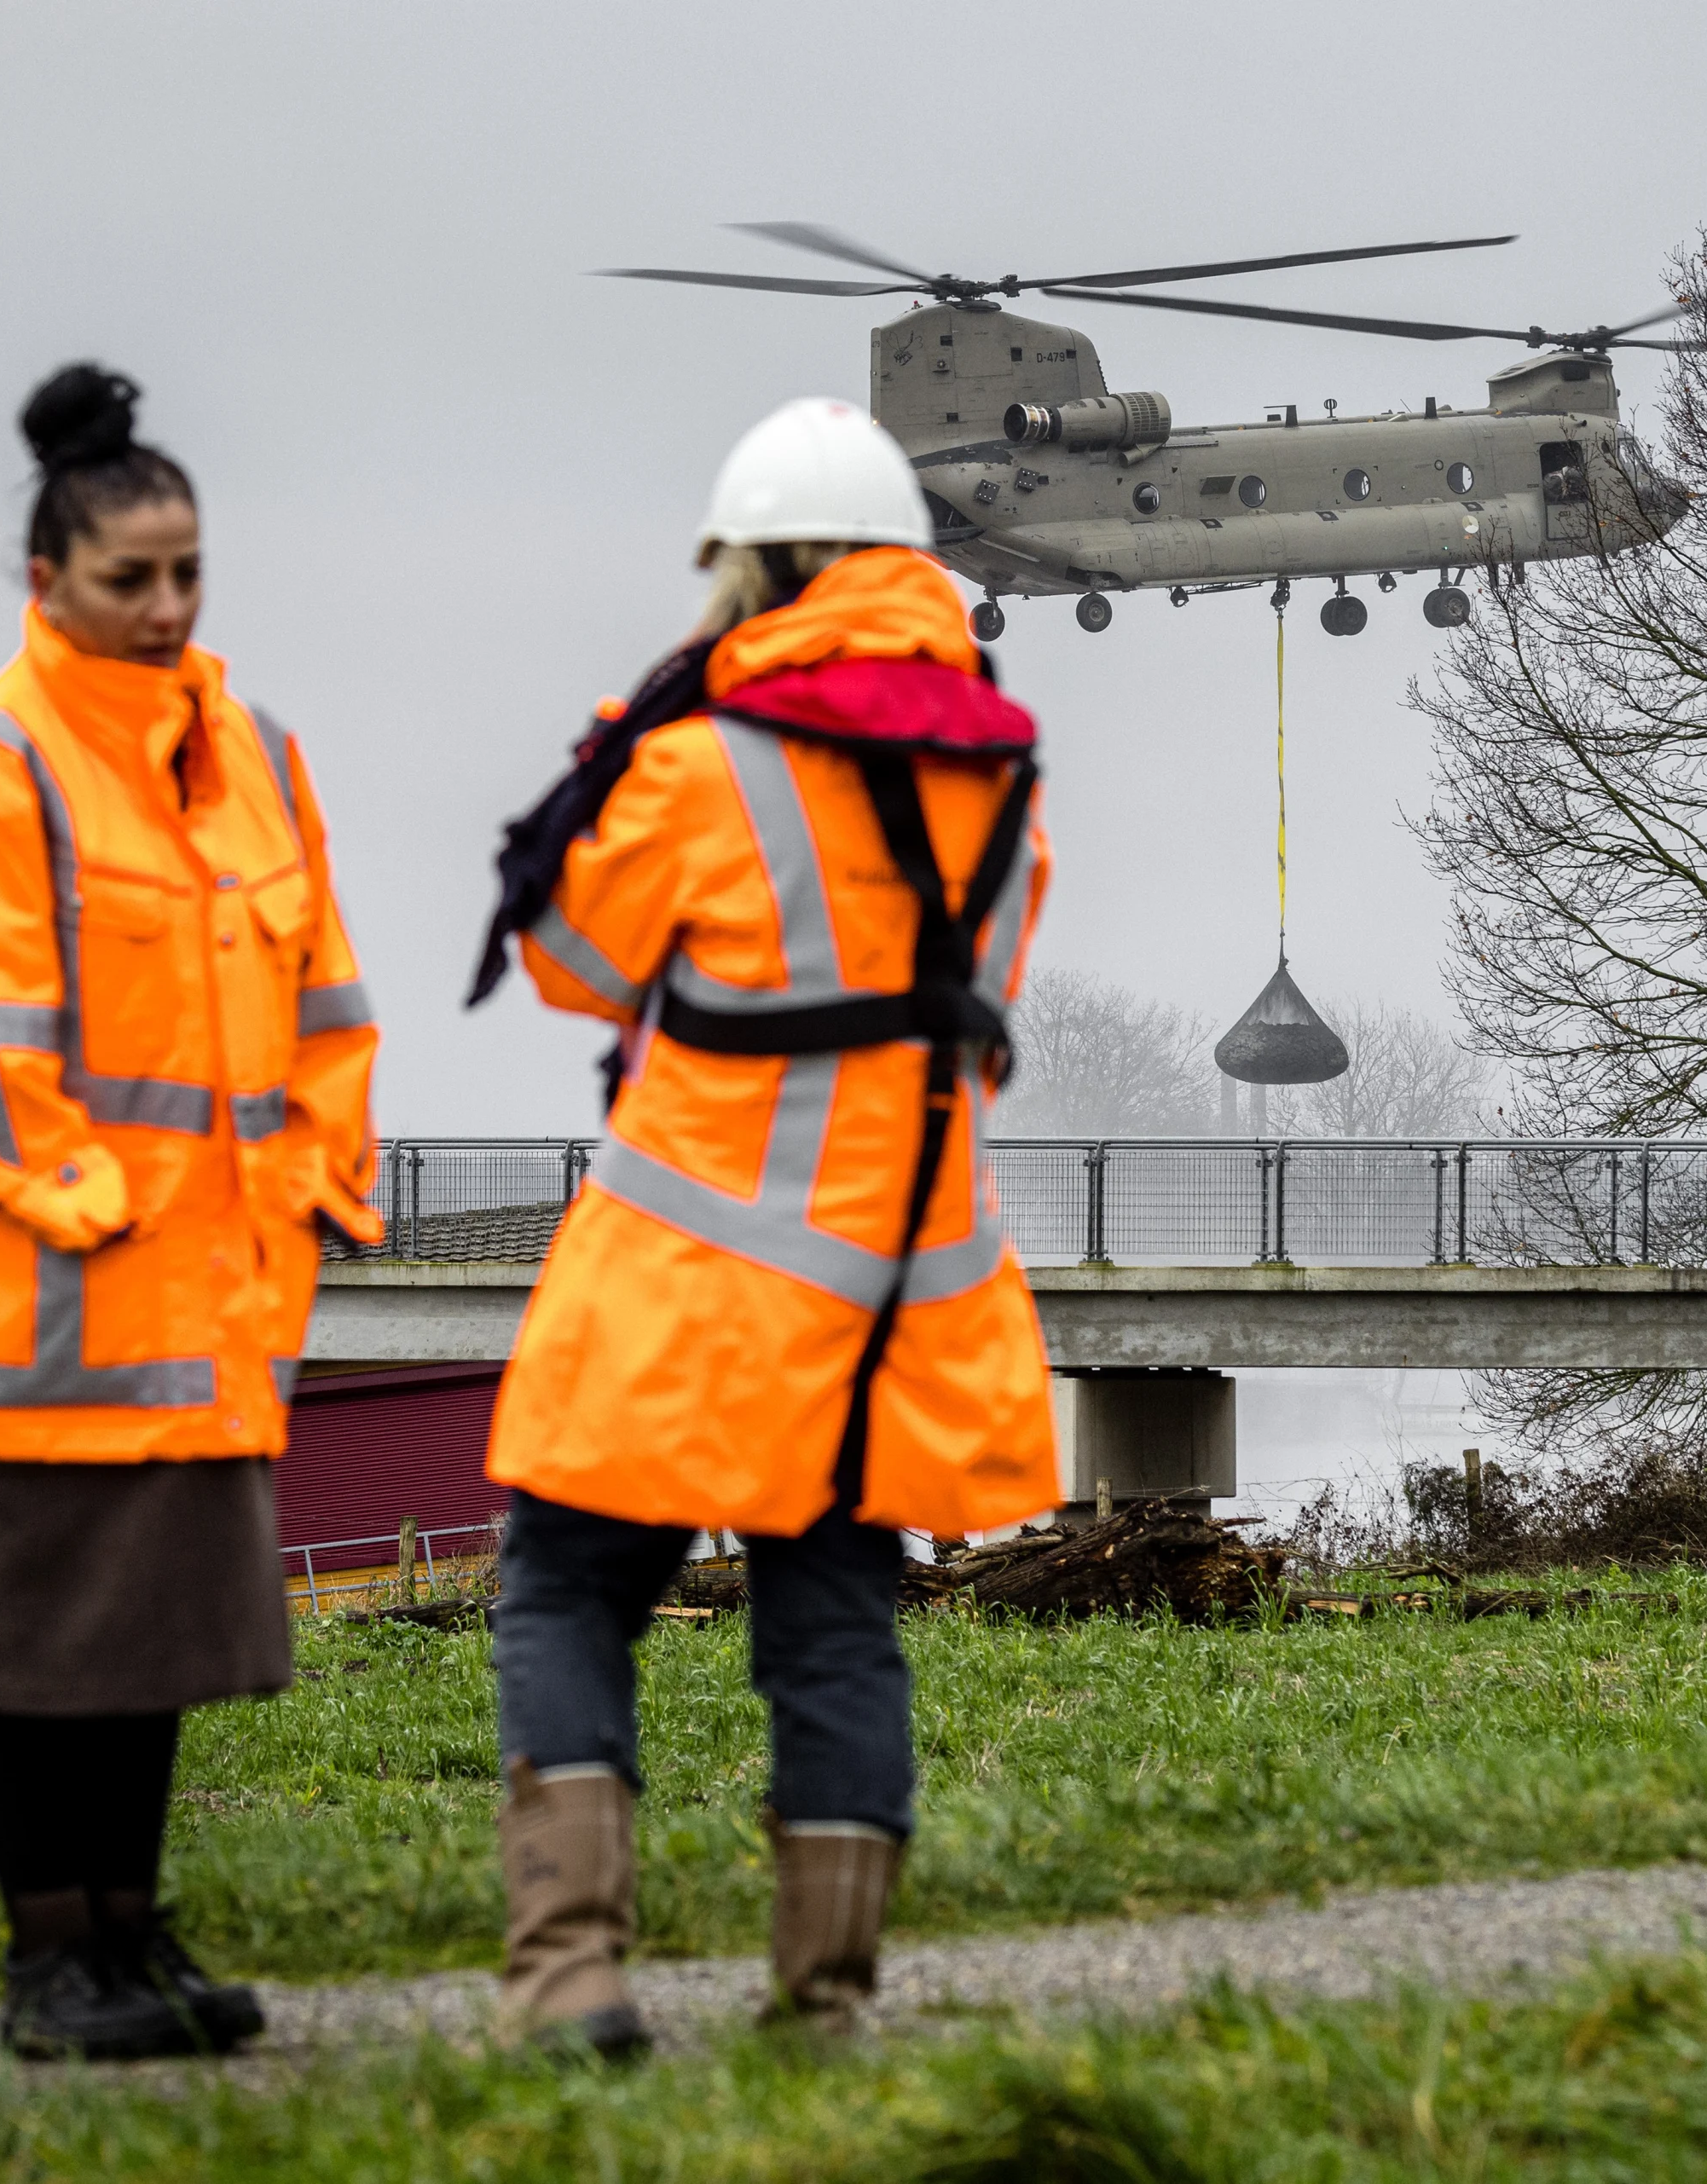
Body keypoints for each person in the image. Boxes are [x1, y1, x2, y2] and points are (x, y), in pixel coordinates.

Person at [469, 396, 1057, 2054]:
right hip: (889, 1297)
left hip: (684, 1286)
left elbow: (568, 960)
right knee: (837, 1631)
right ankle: (825, 2004)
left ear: (761, 568)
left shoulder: (698, 760)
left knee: (564, 1595)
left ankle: (570, 1976)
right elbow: (976, 992)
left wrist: (629, 734)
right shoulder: (1002, 776)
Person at [0, 363, 385, 2057]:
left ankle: (131, 1939)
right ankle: (50, 1963)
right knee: (25, 1655)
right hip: (31, 1306)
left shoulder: (257, 759)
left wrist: (322, 1175)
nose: (167, 607)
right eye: (130, 577)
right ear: (46, 579)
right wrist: (88, 1201)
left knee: (151, 1648)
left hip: (202, 1310)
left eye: (188, 572)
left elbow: (327, 1009)